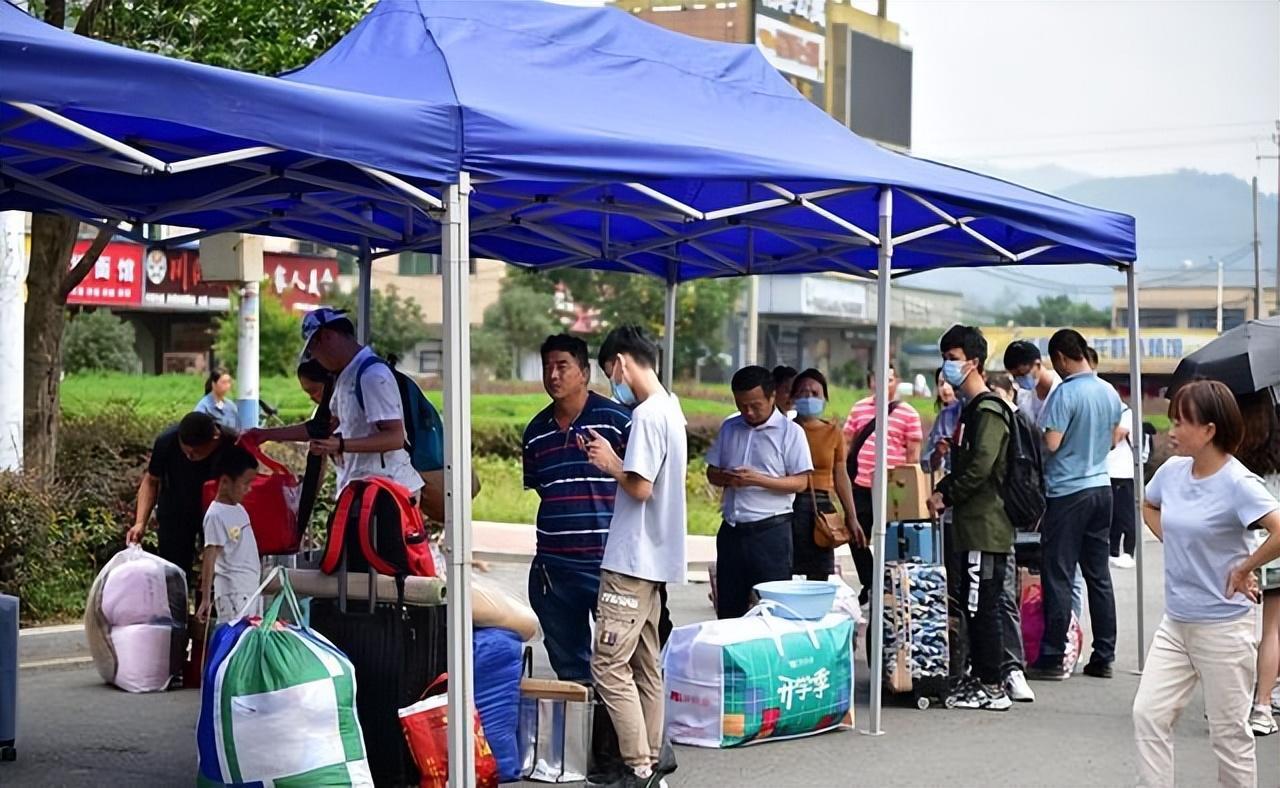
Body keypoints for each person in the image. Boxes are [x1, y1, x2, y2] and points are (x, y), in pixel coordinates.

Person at [1133, 380, 1280, 788]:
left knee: (1230, 735)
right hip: (1176, 624)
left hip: (1224, 628)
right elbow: (1149, 505)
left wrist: (1244, 567)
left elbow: (1278, 530)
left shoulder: (1238, 482)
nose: (1172, 430)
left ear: (1210, 430)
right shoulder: (1171, 472)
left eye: (1182, 422)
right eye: (1173, 420)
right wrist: (1180, 543)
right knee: (1149, 714)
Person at [582, 325, 685, 788]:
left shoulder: (646, 415)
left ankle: (638, 767)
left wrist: (609, 462)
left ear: (622, 362)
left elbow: (640, 486)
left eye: (609, 373)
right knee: (646, 666)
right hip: (655, 562)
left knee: (608, 664)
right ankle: (653, 765)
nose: (611, 384)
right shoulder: (673, 409)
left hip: (630, 561)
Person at [522, 334, 632, 684]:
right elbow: (543, 488)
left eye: (563, 366)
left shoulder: (618, 421)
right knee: (571, 668)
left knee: (617, 666)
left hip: (609, 564)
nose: (553, 375)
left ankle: (614, 737)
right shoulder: (535, 432)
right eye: (547, 367)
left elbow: (642, 484)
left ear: (584, 372)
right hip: (554, 567)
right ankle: (580, 735)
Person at [244, 307, 423, 501]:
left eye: (313, 348)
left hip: (387, 490)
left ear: (328, 336)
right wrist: (266, 434)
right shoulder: (345, 376)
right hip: (361, 486)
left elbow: (394, 437)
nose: (315, 357)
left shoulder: (372, 376)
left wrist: (340, 445)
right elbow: (322, 427)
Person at [927, 326, 1014, 711]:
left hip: (985, 525)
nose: (948, 364)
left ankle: (991, 685)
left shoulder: (989, 409)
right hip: (971, 525)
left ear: (974, 362)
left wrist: (946, 492)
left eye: (954, 357)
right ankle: (979, 679)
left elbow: (981, 467)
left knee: (983, 606)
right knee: (973, 604)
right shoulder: (970, 409)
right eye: (945, 356)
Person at [1028, 329, 1121, 681]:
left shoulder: (1065, 393)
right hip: (1102, 488)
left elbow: (1052, 443)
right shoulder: (1108, 390)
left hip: (1068, 492)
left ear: (1062, 358)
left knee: (1059, 573)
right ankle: (1104, 655)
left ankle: (1052, 655)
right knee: (1098, 575)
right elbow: (1114, 440)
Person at [706, 365, 813, 617]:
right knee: (729, 611)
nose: (748, 412)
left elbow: (800, 482)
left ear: (772, 397)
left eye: (755, 405)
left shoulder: (791, 433)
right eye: (742, 405)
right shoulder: (730, 427)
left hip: (771, 531)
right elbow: (711, 472)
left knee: (773, 611)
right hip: (732, 530)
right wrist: (727, 478)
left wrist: (758, 480)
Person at [842, 362, 923, 604]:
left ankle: (889, 585)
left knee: (892, 538)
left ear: (896, 381)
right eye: (878, 378)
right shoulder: (859, 409)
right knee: (855, 535)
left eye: (889, 379)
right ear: (871, 382)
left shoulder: (908, 413)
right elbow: (846, 442)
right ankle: (870, 580)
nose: (883, 384)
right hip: (861, 484)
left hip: (893, 488)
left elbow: (913, 454)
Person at [126, 412, 234, 579]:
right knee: (173, 571)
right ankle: (174, 604)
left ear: (214, 439)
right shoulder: (167, 441)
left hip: (216, 513)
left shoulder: (231, 443)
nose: (190, 456)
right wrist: (140, 522)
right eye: (186, 451)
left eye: (197, 452)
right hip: (175, 510)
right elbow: (151, 481)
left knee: (221, 571)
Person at [790, 369, 865, 580]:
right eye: (803, 393)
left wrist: (851, 516)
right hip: (788, 507)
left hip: (821, 510)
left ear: (825, 399)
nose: (809, 397)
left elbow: (841, 475)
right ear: (793, 398)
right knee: (785, 572)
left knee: (819, 574)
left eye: (815, 393)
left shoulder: (833, 432)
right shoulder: (786, 430)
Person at [987, 371, 1035, 702]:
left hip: (1000, 519)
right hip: (970, 518)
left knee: (1001, 594)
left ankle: (1012, 669)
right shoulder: (960, 414)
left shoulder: (1019, 424)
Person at [1235, 388, 1280, 737]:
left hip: (1241, 555)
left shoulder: (1233, 455)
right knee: (1272, 631)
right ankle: (1263, 705)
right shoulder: (1277, 450)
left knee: (1239, 632)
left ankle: (1235, 701)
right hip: (1275, 552)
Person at [196, 445, 261, 624]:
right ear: (225, 482)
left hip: (249, 589)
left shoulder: (239, 509)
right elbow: (210, 557)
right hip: (233, 593)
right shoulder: (215, 515)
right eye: (245, 483)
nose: (248, 489)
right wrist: (206, 599)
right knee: (236, 642)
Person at [1107, 394, 1138, 570]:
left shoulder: (1126, 413)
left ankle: (1128, 552)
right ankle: (1113, 552)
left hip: (1122, 472)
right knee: (1114, 516)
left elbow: (1116, 437)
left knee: (1126, 515)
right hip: (1108, 471)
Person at [1004, 340, 1061, 426]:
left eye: (1023, 374)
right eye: (1015, 376)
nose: (1020, 380)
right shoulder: (1023, 395)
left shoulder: (1061, 389)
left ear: (1037, 365)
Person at [924, 366, 962, 474]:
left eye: (949, 383)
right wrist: (938, 453)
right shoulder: (943, 416)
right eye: (941, 384)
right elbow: (926, 463)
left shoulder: (970, 409)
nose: (945, 388)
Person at [194, 367, 240, 431]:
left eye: (229, 382)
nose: (227, 386)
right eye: (223, 382)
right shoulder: (204, 406)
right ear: (213, 384)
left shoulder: (231, 406)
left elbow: (237, 429)